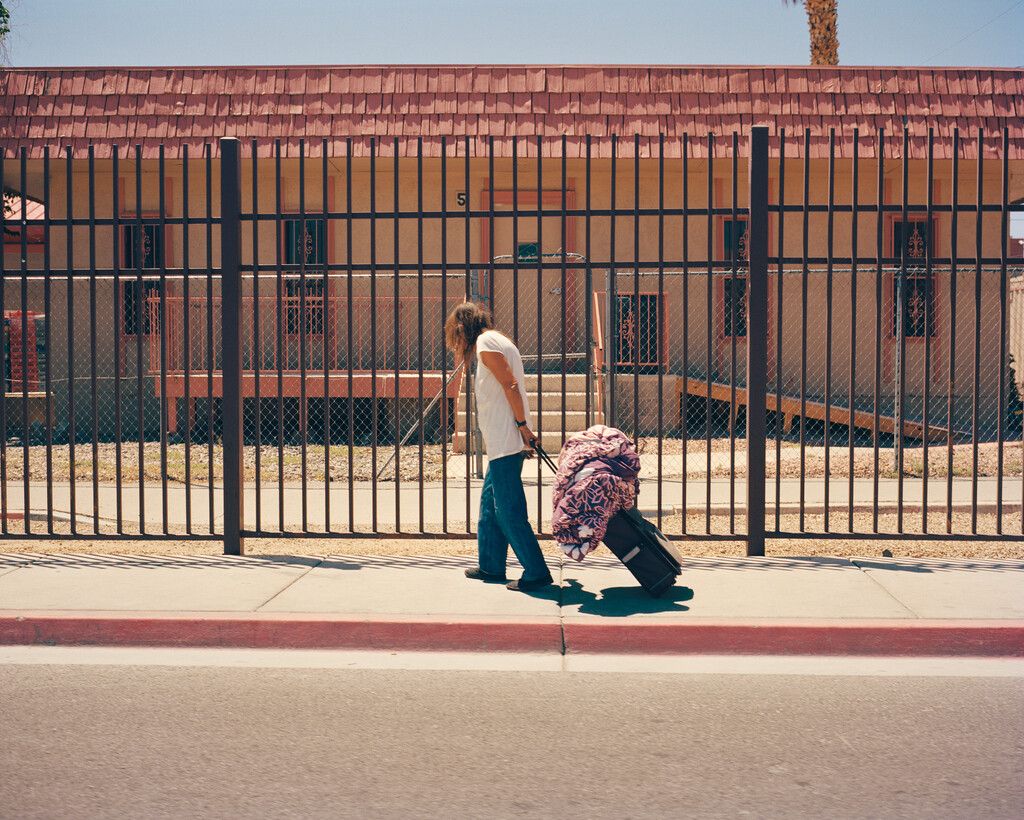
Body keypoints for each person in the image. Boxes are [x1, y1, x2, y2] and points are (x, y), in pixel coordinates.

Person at [444, 301, 554, 591]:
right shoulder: (495, 339)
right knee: (489, 508)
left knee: (507, 509)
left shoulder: (485, 342)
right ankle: (491, 566)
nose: (455, 341)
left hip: (506, 439)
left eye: (454, 334)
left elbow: (511, 385)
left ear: (461, 327)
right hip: (501, 440)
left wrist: (522, 427)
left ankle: (537, 571)